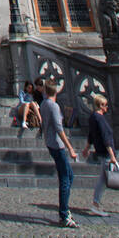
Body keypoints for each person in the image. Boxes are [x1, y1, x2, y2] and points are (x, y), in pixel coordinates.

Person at [40, 79, 79, 227]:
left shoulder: (44, 104)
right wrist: (70, 148)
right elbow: (59, 128)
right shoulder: (53, 106)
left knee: (69, 176)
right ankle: (64, 213)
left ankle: (65, 209)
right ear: (56, 91)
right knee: (65, 178)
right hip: (57, 145)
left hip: (50, 143)